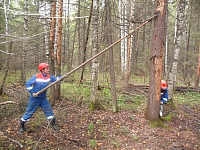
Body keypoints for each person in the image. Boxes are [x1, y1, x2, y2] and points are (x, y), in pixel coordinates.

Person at [19, 63, 61, 133]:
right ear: (42, 70)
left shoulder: (48, 77)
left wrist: (64, 76)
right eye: (47, 68)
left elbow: (56, 79)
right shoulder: (36, 77)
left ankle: (53, 125)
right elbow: (28, 84)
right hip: (35, 98)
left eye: (48, 68)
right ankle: (21, 126)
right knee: (29, 112)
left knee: (49, 111)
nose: (48, 69)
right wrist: (32, 92)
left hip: (43, 98)